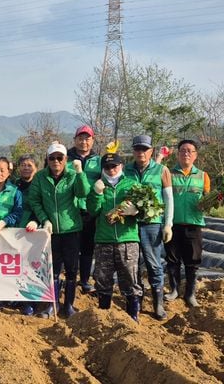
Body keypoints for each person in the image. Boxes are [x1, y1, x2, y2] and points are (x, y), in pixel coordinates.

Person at [25, 142, 90, 318]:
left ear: (65, 159)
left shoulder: (72, 175)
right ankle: (51, 305)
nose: (56, 161)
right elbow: (34, 200)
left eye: (59, 158)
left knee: (71, 270)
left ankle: (68, 305)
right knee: (52, 270)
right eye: (52, 158)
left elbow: (83, 192)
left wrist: (80, 173)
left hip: (71, 229)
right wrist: (44, 219)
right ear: (47, 159)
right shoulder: (40, 177)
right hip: (51, 232)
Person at [86, 152, 142, 322]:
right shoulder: (98, 186)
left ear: (121, 166)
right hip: (104, 239)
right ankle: (104, 315)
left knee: (130, 278)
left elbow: (144, 211)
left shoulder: (132, 184)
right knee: (103, 278)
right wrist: (97, 194)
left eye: (114, 166)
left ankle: (133, 317)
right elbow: (93, 211)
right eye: (107, 167)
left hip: (127, 239)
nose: (111, 170)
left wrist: (136, 211)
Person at [124, 134, 174, 320]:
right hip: (130, 224)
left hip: (152, 224)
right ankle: (136, 301)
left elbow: (168, 199)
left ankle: (158, 304)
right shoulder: (126, 170)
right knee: (132, 264)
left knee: (153, 264)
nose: (141, 153)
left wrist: (168, 224)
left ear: (151, 151)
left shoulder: (161, 170)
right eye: (137, 149)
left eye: (144, 149)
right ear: (133, 151)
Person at [165, 139, 210, 308]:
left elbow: (208, 200)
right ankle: (174, 290)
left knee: (193, 261)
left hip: (194, 224)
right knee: (172, 259)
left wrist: (215, 201)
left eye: (190, 151)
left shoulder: (203, 176)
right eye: (183, 150)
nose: (186, 153)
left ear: (195, 155)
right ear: (178, 154)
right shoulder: (169, 174)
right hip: (173, 224)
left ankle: (190, 293)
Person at [67, 125, 102, 294]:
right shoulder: (65, 158)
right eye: (80, 138)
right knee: (72, 248)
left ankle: (85, 280)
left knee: (88, 248)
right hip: (71, 209)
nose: (83, 142)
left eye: (87, 139)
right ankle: (70, 279)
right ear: (75, 140)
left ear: (92, 141)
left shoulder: (99, 161)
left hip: (91, 210)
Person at [13, 154, 40, 315]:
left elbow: (42, 205)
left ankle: (30, 301)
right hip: (15, 229)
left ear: (36, 168)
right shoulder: (14, 184)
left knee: (31, 265)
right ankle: (15, 296)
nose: (26, 168)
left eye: (29, 165)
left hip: (32, 229)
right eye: (23, 165)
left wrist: (36, 220)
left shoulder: (39, 184)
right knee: (15, 264)